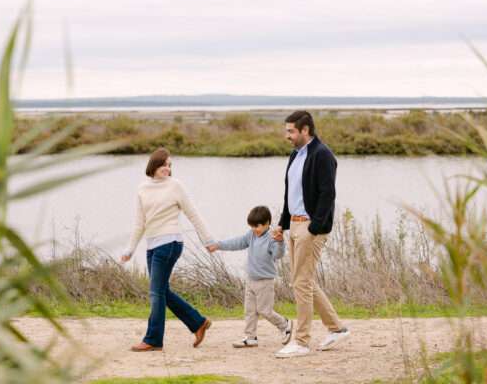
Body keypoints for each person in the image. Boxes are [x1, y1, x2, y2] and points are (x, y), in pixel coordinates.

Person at [273, 110, 351, 358]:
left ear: (305, 130)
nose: (287, 136)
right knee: (303, 280)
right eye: (287, 131)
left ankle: (302, 341)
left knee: (301, 283)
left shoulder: (322, 154)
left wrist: (314, 227)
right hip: (295, 224)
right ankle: (336, 329)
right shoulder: (295, 155)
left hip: (310, 227)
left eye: (291, 131)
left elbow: (328, 194)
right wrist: (282, 223)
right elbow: (291, 193)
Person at [120, 147, 214, 352]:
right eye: (163, 164)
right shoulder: (143, 189)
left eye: (170, 165)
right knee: (162, 291)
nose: (167, 168)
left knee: (156, 293)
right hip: (152, 245)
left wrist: (208, 240)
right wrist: (130, 249)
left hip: (170, 243)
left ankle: (153, 339)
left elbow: (193, 214)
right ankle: (198, 322)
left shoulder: (175, 186)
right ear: (154, 165)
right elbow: (139, 223)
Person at [208, 206, 293, 348]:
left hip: (265, 281)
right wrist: (218, 245)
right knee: (250, 311)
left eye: (257, 226)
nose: (254, 229)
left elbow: (278, 255)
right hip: (251, 280)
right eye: (252, 226)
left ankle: (285, 324)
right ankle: (250, 337)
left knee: (265, 311)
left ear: (267, 223)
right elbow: (237, 242)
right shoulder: (251, 235)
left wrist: (280, 242)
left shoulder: (272, 238)